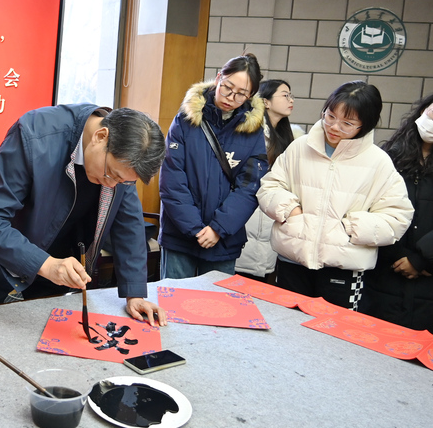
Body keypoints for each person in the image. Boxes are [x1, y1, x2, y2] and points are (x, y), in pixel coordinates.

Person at [0, 104, 168, 326]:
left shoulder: (122, 162)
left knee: (37, 336)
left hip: (58, 260)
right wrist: (45, 264)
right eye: (111, 175)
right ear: (100, 136)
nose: (113, 184)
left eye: (122, 181)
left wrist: (134, 293)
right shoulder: (35, 133)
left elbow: (129, 224)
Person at [257, 81, 414, 310]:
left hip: (343, 268)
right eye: (330, 116)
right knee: (284, 329)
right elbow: (270, 186)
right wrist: (290, 210)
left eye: (347, 123)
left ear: (365, 126)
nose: (334, 127)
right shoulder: (300, 147)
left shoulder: (378, 161)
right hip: (292, 260)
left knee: (334, 335)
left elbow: (398, 215)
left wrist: (352, 229)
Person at [158, 53, 268, 279]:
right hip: (180, 233)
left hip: (223, 238)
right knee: (173, 304)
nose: (230, 97)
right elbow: (172, 179)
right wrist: (194, 228)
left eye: (241, 94)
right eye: (227, 87)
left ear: (251, 95)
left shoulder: (253, 131)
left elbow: (249, 186)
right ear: (218, 78)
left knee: (217, 308)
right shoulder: (186, 119)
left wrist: (218, 228)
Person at [361, 95, 433, 332]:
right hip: (386, 272)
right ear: (421, 112)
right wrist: (398, 254)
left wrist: (420, 258)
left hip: (428, 275)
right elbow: (370, 208)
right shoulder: (389, 157)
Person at [235, 79, 303, 282]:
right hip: (247, 214)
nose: (291, 100)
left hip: (271, 221)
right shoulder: (249, 133)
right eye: (285, 95)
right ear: (265, 102)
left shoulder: (292, 140)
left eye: (291, 95)